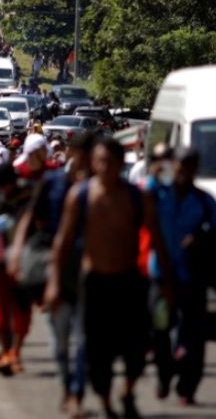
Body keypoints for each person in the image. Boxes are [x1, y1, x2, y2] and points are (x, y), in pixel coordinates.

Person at [46, 137, 172, 419]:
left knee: (136, 347)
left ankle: (127, 390)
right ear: (93, 163)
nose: (105, 167)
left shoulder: (137, 197)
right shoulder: (80, 196)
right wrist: (54, 283)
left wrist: (165, 281)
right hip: (94, 283)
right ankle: (97, 399)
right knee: (95, 349)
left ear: (120, 164)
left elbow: (158, 240)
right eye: (100, 161)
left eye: (110, 162)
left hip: (129, 282)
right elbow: (62, 243)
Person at [8, 132, 95, 416]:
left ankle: (77, 395)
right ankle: (67, 387)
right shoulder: (53, 183)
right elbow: (29, 217)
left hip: (90, 269)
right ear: (70, 154)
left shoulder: (104, 189)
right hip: (54, 267)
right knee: (59, 339)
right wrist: (19, 252)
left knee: (84, 339)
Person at [146, 147, 216, 405]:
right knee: (158, 330)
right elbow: (142, 194)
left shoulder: (204, 201)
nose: (184, 169)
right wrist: (156, 171)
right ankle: (165, 375)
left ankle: (187, 389)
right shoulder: (158, 193)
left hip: (192, 278)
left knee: (194, 336)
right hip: (160, 275)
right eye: (180, 163)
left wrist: (200, 238)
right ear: (172, 164)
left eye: (190, 164)